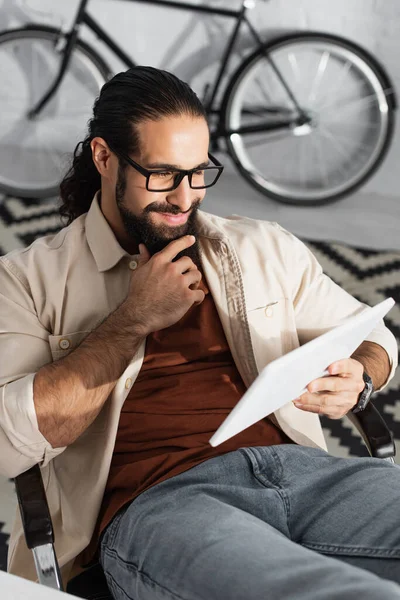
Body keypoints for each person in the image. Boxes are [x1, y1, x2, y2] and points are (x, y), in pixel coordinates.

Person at [0, 66, 399, 600]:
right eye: (163, 175)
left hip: (307, 474)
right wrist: (133, 318)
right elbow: (9, 443)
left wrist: (362, 376)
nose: (186, 198)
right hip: (163, 502)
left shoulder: (262, 246)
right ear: (104, 157)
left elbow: (373, 337)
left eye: (198, 173)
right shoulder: (25, 281)